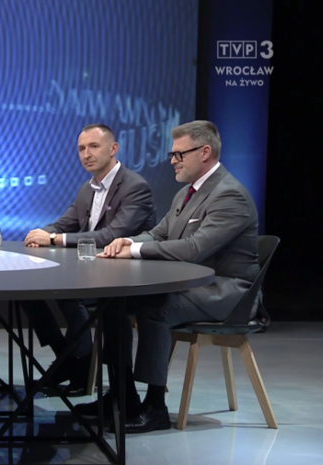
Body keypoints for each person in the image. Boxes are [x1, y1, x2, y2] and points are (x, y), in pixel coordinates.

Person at [83, 120, 260, 433]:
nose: (172, 161)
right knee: (114, 303)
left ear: (204, 152)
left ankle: (155, 407)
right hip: (196, 286)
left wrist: (135, 251)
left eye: (180, 154)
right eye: (172, 154)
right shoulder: (185, 194)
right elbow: (159, 233)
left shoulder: (230, 195)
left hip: (228, 291)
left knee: (155, 307)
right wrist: (127, 241)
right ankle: (123, 396)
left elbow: (194, 248)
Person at [21, 124, 156, 396]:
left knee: (73, 296)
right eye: (82, 148)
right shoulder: (88, 188)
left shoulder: (135, 187)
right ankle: (67, 357)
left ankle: (80, 366)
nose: (87, 154)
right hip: (95, 271)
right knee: (27, 290)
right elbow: (64, 223)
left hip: (128, 277)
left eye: (94, 146)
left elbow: (111, 235)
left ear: (113, 149)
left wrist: (54, 239)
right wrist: (40, 234)